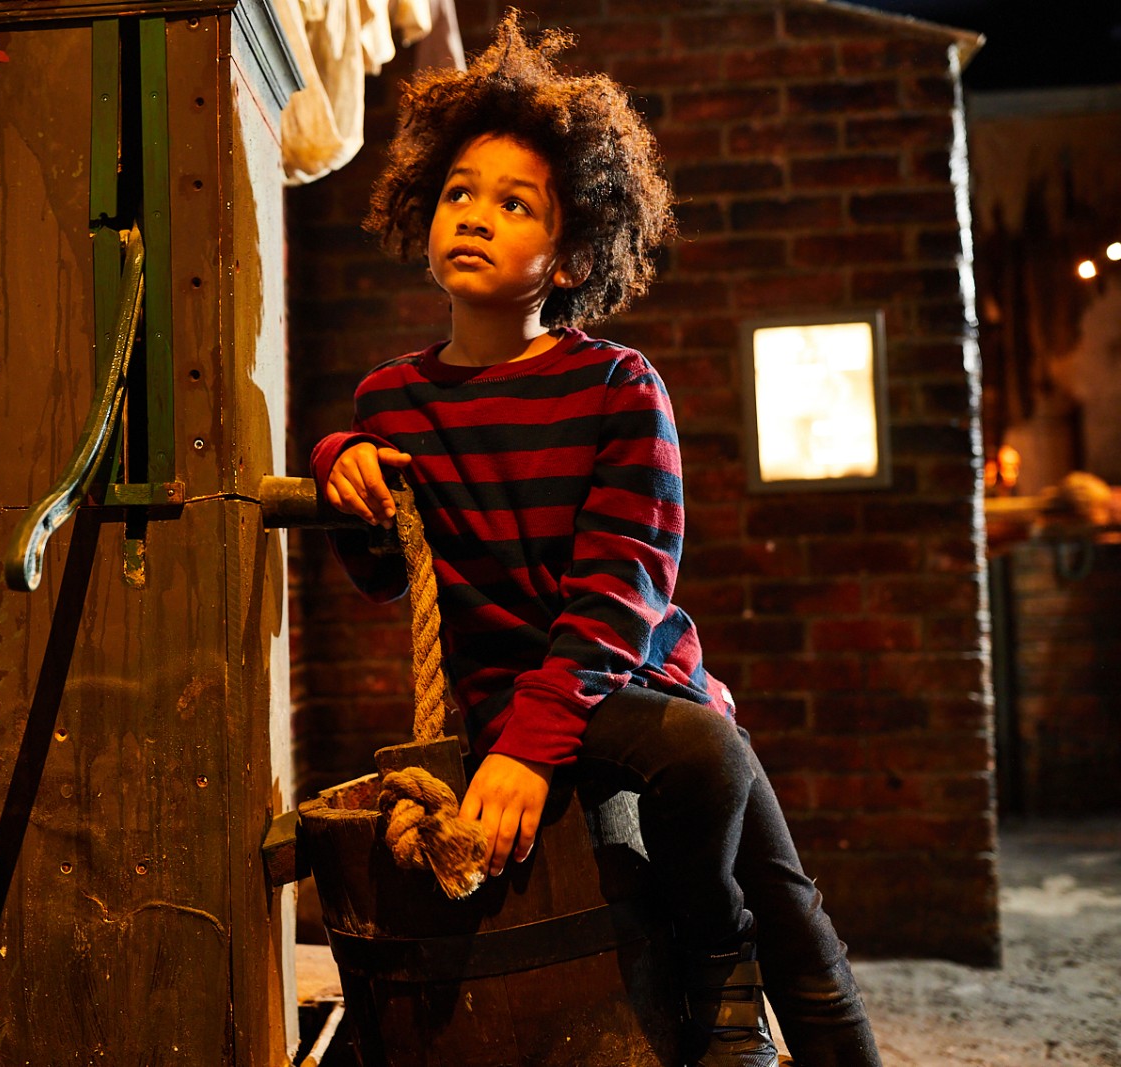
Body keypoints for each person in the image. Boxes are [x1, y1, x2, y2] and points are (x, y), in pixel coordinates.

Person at [310, 13, 882, 1067]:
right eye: (458, 192)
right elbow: (387, 578)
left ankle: (717, 958)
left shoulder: (618, 386)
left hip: (624, 681)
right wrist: (342, 467)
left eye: (514, 202)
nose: (473, 215)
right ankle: (729, 959)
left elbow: (623, 587)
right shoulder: (391, 398)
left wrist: (535, 745)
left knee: (760, 852)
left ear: (571, 251)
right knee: (753, 833)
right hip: (499, 696)